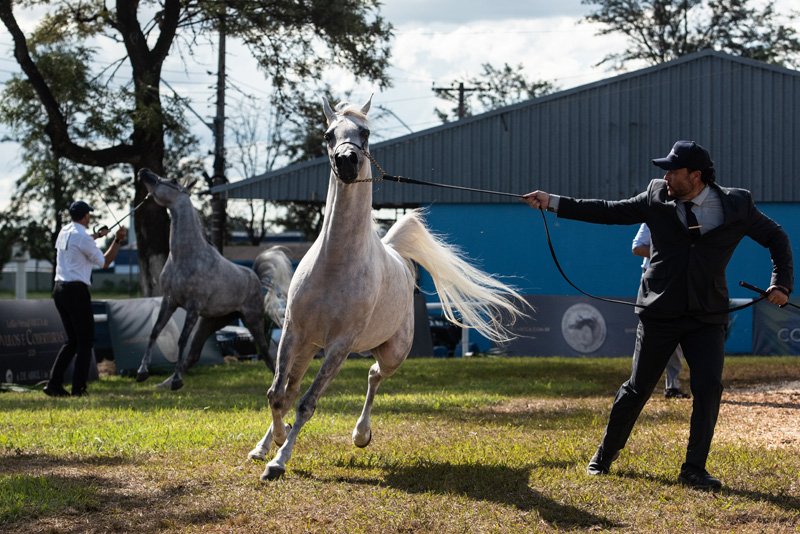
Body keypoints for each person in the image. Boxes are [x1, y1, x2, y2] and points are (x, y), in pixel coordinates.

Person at [522, 140, 793, 491]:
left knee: (708, 388)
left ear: (695, 176)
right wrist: (553, 201)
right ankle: (604, 456)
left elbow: (776, 237)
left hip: (707, 313)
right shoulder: (655, 196)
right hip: (659, 311)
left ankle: (694, 469)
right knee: (637, 388)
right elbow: (608, 210)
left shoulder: (737, 204)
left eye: (672, 170)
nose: (665, 176)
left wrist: (781, 284)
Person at [43, 201, 127, 397]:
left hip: (59, 290)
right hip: (76, 291)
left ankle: (54, 384)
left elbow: (78, 244)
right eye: (89, 214)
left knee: (72, 341)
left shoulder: (65, 231)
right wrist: (118, 240)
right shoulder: (83, 237)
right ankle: (78, 389)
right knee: (85, 341)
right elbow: (105, 262)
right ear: (85, 216)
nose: (90, 217)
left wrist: (97, 236)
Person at [632, 223, 690, 399]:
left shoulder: (688, 215)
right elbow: (637, 247)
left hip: (679, 278)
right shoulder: (652, 215)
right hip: (654, 280)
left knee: (677, 331)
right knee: (646, 333)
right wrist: (666, 251)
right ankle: (635, 385)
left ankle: (672, 385)